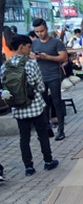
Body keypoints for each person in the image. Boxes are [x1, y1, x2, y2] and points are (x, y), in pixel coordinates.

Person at [1, 35, 59, 176]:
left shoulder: (4, 66)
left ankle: (29, 167)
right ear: (21, 46)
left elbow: (4, 89)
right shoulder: (31, 63)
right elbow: (40, 86)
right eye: (28, 46)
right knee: (42, 134)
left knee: (24, 137)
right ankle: (48, 161)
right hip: (35, 106)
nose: (30, 49)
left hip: (18, 108)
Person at [31, 18, 68, 141]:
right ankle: (47, 129)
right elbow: (30, 56)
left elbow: (63, 57)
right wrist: (34, 57)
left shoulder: (56, 42)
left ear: (46, 28)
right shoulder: (35, 43)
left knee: (56, 102)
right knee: (43, 104)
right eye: (37, 32)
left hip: (54, 76)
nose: (40, 33)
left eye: (41, 30)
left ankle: (61, 130)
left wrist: (47, 57)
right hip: (40, 77)